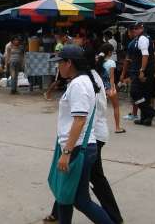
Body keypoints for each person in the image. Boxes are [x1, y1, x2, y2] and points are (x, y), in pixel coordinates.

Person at [48, 45, 114, 224]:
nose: (58, 67)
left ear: (69, 63)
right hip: (80, 147)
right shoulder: (82, 81)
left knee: (80, 200)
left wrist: (67, 153)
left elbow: (79, 120)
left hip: (77, 149)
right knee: (64, 196)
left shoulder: (78, 84)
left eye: (60, 63)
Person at [121, 23, 155, 126]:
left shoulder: (143, 38)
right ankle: (145, 118)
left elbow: (145, 55)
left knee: (135, 93)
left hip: (143, 71)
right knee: (144, 94)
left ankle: (151, 113)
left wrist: (142, 70)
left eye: (137, 28)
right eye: (134, 29)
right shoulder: (140, 39)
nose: (135, 30)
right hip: (142, 70)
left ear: (142, 29)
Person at [96, 43, 125, 134]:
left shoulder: (97, 60)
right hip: (108, 86)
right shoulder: (111, 62)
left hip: (98, 86)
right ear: (109, 52)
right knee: (116, 106)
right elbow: (111, 77)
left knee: (97, 107)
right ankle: (117, 127)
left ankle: (95, 127)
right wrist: (113, 88)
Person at [45, 33, 69, 100]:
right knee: (57, 81)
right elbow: (57, 55)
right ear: (62, 37)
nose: (67, 39)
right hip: (60, 65)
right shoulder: (59, 45)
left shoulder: (63, 45)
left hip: (63, 65)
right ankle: (47, 93)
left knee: (63, 80)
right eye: (66, 37)